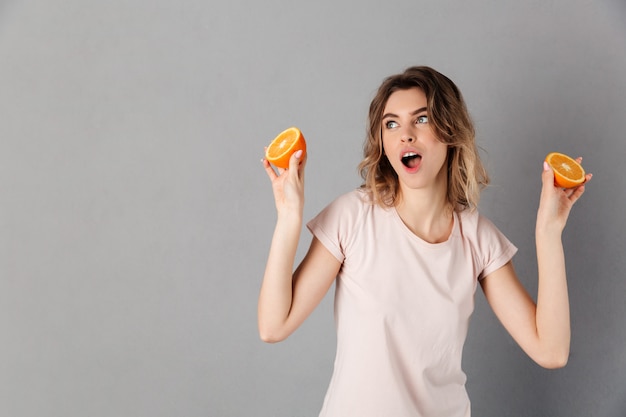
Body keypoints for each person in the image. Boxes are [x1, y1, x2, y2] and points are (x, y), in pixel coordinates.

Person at [258, 66, 592, 417]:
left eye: (421, 120)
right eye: (391, 124)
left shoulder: (477, 238)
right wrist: (288, 217)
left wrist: (549, 233)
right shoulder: (352, 217)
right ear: (383, 143)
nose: (405, 135)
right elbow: (273, 325)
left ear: (450, 132)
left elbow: (551, 351)